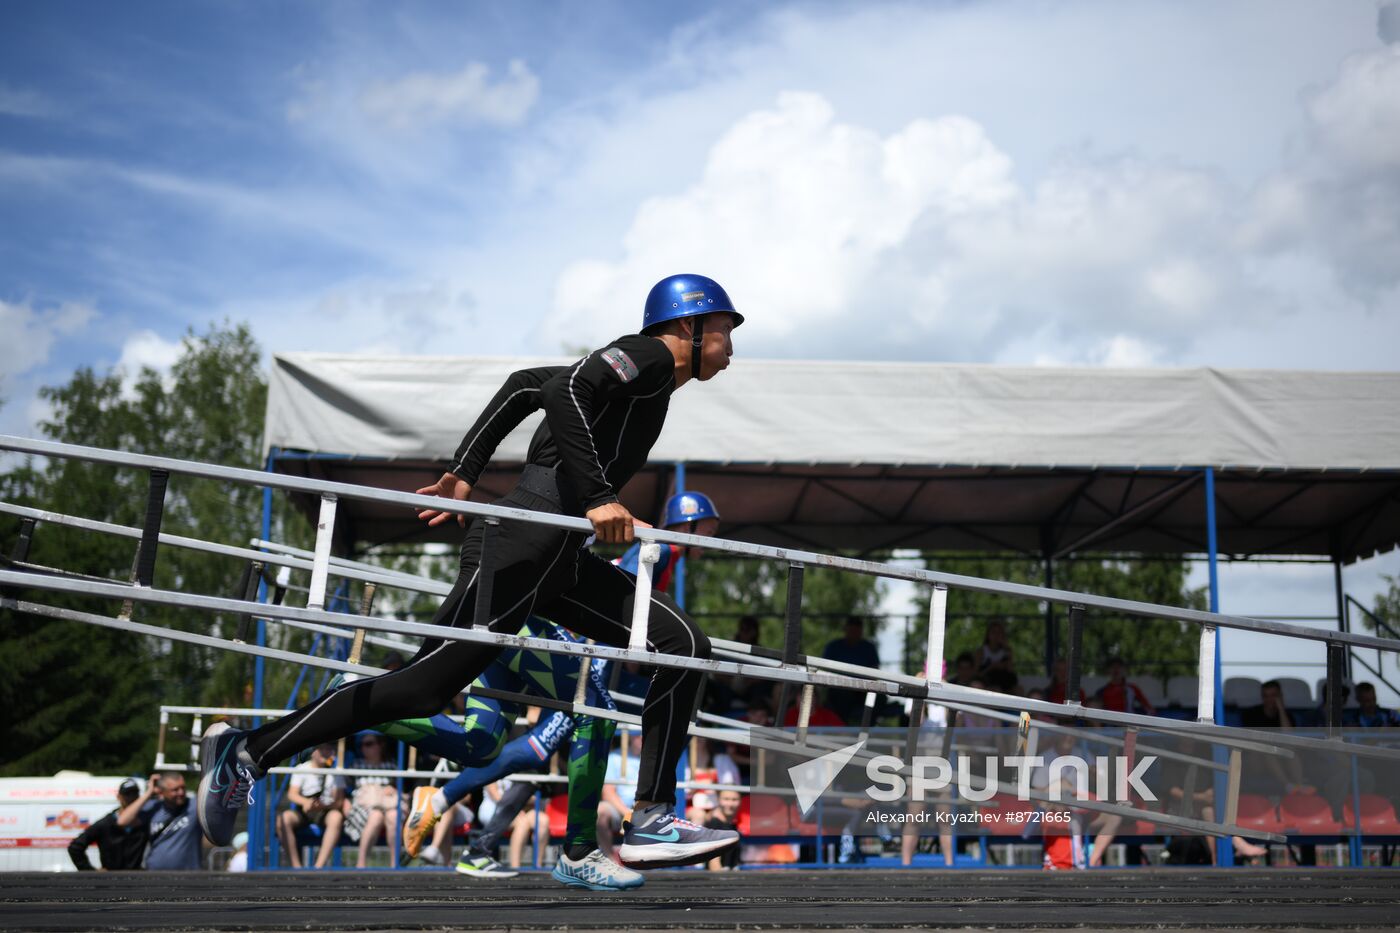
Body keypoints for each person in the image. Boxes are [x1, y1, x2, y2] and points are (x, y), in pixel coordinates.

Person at [198, 273, 744, 871]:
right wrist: (596, 497)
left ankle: (651, 818)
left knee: (681, 643)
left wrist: (465, 469)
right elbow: (564, 397)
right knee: (421, 688)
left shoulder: (653, 386)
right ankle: (247, 751)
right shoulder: (646, 355)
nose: (733, 341)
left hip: (556, 555)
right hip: (521, 540)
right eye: (725, 326)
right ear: (687, 324)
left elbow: (526, 386)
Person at [384, 617, 635, 888]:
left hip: (523, 629)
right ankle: (581, 850)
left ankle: (365, 700)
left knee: (481, 746)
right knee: (558, 738)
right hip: (540, 632)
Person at [276, 743, 346, 869]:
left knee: (336, 817)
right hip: (304, 811)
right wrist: (305, 802)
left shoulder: (336, 773)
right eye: (322, 749)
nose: (326, 752)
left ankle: (318, 867)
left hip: (325, 811)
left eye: (329, 748)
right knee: (284, 819)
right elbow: (292, 794)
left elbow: (339, 801)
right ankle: (296, 866)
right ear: (313, 752)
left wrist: (323, 806)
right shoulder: (301, 768)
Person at [119, 772, 202, 870]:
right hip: (156, 874)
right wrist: (149, 793)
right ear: (162, 792)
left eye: (183, 788)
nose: (181, 793)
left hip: (189, 874)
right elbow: (122, 821)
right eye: (175, 790)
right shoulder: (154, 807)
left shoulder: (195, 805)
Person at [68, 778, 148, 871]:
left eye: (135, 794)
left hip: (137, 879)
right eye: (127, 794)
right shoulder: (105, 824)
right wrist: (91, 872)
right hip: (110, 880)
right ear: (119, 797)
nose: (131, 798)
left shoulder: (144, 823)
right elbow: (75, 847)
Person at [822, 616, 881, 724]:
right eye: (851, 629)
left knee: (880, 698)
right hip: (838, 687)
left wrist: (864, 685)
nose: (854, 632)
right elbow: (824, 671)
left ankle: (868, 731)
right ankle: (841, 730)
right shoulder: (833, 646)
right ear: (845, 629)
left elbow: (875, 671)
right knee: (840, 698)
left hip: (864, 689)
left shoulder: (868, 647)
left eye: (857, 629)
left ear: (861, 631)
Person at [974, 620, 1017, 693]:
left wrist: (1007, 650)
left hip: (1003, 686)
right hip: (986, 684)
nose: (996, 636)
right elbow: (975, 675)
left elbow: (1012, 673)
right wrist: (991, 667)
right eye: (993, 632)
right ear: (988, 635)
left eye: (999, 633)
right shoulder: (981, 652)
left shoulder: (1007, 651)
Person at [705, 790, 743, 871]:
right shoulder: (714, 825)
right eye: (726, 799)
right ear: (718, 800)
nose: (730, 804)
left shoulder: (734, 825)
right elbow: (714, 863)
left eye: (734, 799)